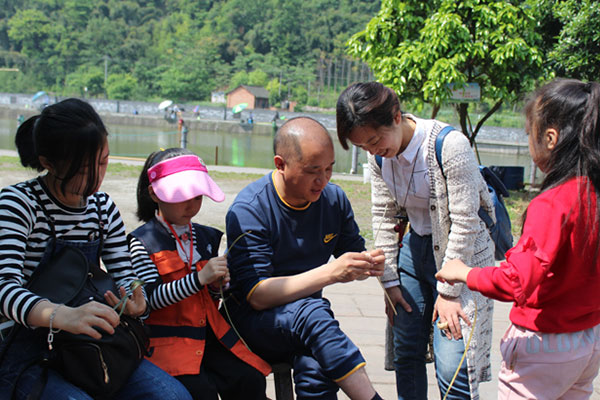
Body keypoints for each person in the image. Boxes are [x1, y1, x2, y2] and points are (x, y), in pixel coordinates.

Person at [0, 98, 191, 400]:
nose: (96, 176)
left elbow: (125, 275)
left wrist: (133, 300)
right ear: (48, 163)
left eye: (102, 161)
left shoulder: (102, 208)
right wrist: (59, 315)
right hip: (29, 350)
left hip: (91, 346)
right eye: (83, 167)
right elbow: (4, 290)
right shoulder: (19, 204)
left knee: (174, 396)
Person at [435, 78, 600, 399]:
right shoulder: (592, 195)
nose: (529, 142)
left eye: (529, 134)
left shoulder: (553, 204)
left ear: (549, 138)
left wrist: (464, 272)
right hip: (588, 341)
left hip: (544, 345)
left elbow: (518, 281)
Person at [336, 82, 495, 400]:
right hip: (415, 250)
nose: (373, 151)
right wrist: (389, 282)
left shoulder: (449, 146)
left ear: (396, 117)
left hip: (460, 258)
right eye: (364, 147)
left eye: (375, 141)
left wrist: (449, 293)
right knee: (406, 349)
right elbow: (383, 218)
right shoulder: (379, 160)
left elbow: (465, 222)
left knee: (453, 365)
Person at [225, 116, 386, 400]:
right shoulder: (249, 209)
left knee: (318, 364)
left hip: (307, 324)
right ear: (280, 164)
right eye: (313, 171)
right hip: (252, 323)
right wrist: (331, 272)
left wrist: (366, 265)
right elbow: (257, 296)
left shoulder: (333, 200)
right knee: (314, 314)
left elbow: (352, 255)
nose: (323, 180)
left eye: (329, 169)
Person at [128, 148, 271, 400]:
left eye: (197, 197)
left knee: (250, 378)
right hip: (166, 343)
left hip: (211, 336)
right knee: (200, 391)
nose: (191, 205)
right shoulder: (142, 242)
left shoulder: (205, 237)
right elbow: (149, 301)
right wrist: (199, 279)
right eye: (181, 196)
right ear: (154, 193)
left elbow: (210, 295)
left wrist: (217, 285)